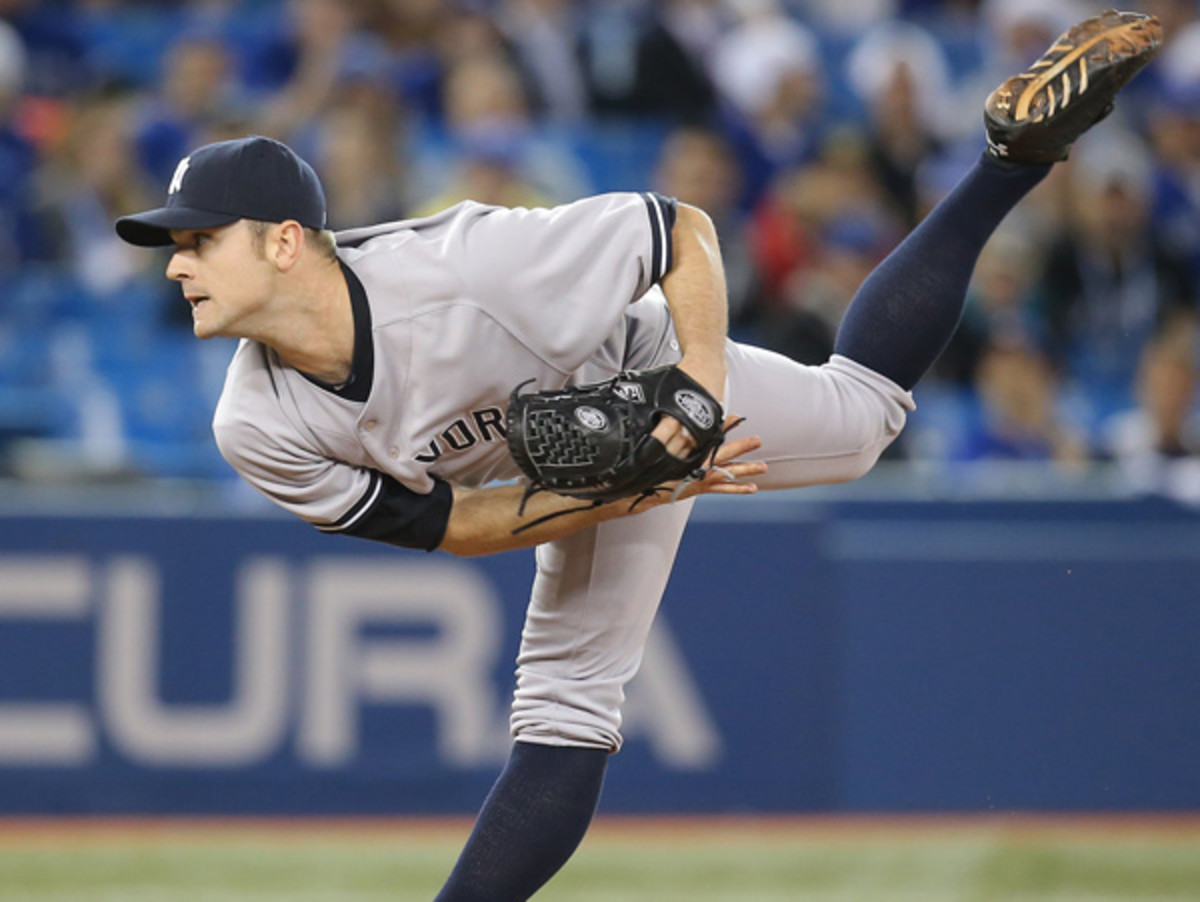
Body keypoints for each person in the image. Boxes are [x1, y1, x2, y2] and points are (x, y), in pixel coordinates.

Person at [113, 11, 1160, 900]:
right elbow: (455, 524)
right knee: (567, 694)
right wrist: (634, 488)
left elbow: (679, 231)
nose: (179, 264)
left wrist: (696, 393)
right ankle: (1009, 163)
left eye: (200, 240)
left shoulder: (466, 264)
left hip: (649, 360)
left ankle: (1004, 162)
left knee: (863, 424)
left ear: (286, 240)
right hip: (581, 464)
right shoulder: (257, 425)